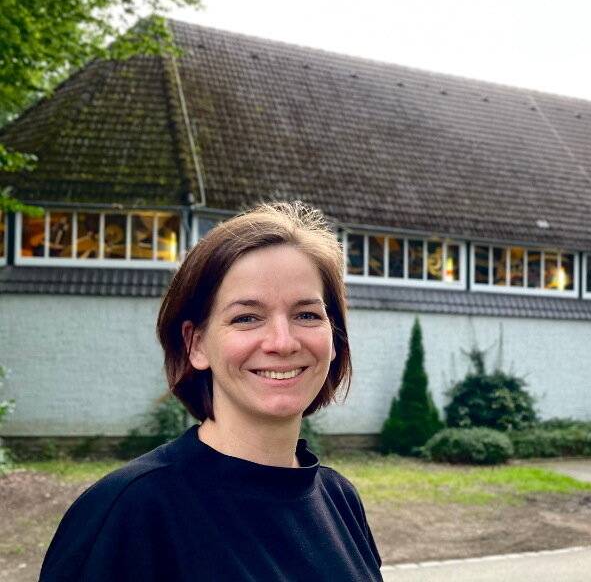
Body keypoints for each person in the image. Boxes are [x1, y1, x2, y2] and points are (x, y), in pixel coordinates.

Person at [40, 202, 383, 581]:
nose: (283, 342)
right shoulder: (130, 513)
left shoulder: (340, 500)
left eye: (307, 315)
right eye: (246, 317)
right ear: (196, 344)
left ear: (334, 337)